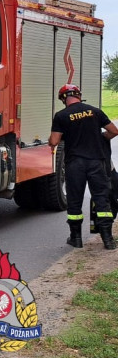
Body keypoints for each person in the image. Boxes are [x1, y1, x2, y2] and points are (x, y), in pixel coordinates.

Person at [49, 83, 118, 250]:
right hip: (97, 163)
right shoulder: (95, 111)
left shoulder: (61, 115)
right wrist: (102, 137)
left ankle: (76, 238)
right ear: (78, 95)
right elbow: (114, 131)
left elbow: (54, 141)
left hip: (75, 164)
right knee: (102, 200)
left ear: (64, 98)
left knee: (74, 202)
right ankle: (108, 240)